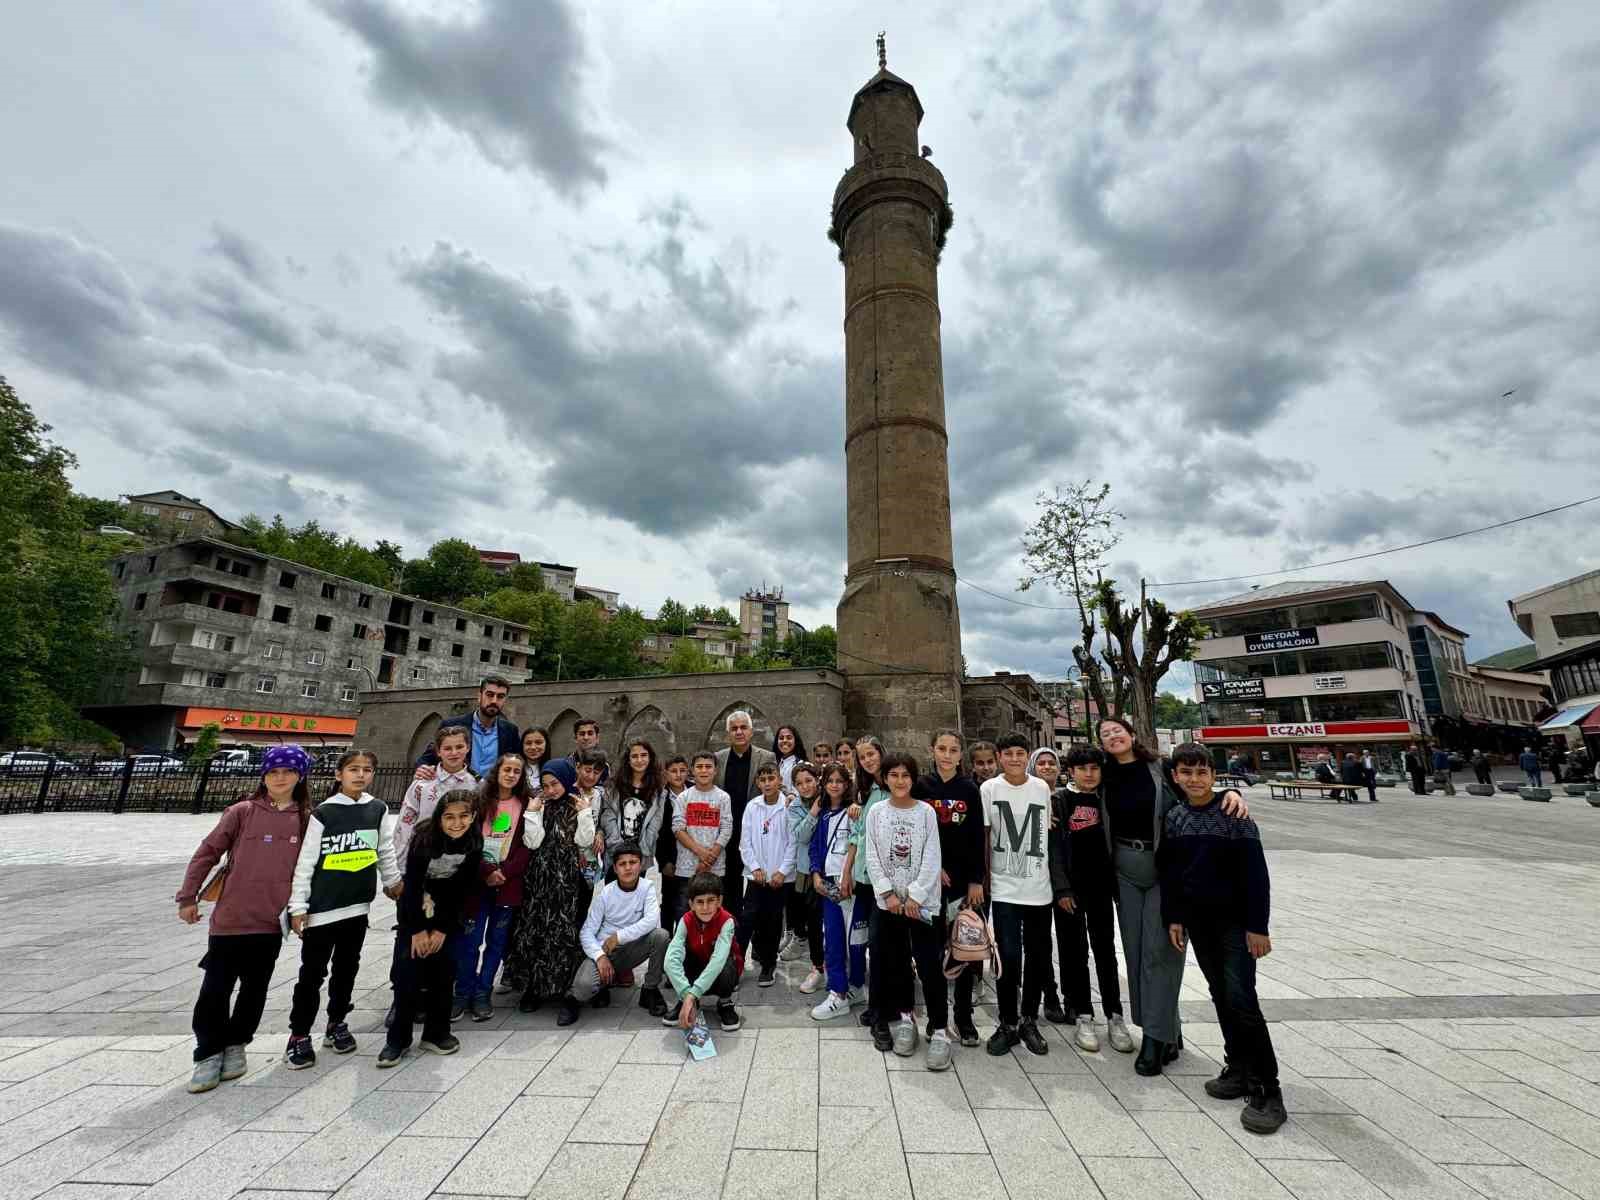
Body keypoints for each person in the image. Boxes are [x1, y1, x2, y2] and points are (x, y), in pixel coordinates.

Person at [1098, 715, 1247, 1076]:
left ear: (1132, 735)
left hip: (1165, 868)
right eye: (1105, 734)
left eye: (1118, 730)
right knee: (1135, 953)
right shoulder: (1103, 775)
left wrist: (1233, 794)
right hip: (1124, 870)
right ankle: (1170, 1031)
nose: (1113, 736)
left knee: (1161, 953)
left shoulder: (1161, 769)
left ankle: (1153, 1037)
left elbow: (1199, 791)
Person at [1160, 744, 1285, 1134]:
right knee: (1220, 993)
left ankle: (1268, 1087)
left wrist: (1258, 926)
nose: (1194, 780)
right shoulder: (1176, 818)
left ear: (1213, 776)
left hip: (1234, 922)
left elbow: (1256, 875)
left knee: (1242, 999)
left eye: (1201, 772)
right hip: (1198, 921)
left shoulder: (1235, 816)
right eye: (1186, 773)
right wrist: (1176, 917)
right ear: (1176, 777)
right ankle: (1239, 1067)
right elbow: (1174, 874)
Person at [177, 745, 311, 1093]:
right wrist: (188, 896)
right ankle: (207, 1052)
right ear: (264, 776)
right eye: (273, 772)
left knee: (255, 989)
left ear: (300, 776)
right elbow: (207, 852)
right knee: (215, 990)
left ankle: (237, 1044)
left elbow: (309, 871)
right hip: (230, 919)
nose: (279, 778)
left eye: (287, 771)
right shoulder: (242, 812)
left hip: (270, 922)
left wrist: (301, 911)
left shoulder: (306, 818)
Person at [285, 749, 401, 1069]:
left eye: (366, 769)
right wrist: (298, 907)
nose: (360, 775)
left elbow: (384, 850)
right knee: (312, 974)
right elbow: (306, 863)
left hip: (356, 906)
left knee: (346, 970)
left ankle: (337, 1022)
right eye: (353, 769)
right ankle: (299, 1034)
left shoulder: (377, 809)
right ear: (339, 775)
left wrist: (393, 883)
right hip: (324, 909)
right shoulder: (323, 813)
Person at [379, 789, 481, 1066]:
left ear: (473, 817)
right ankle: (397, 1039)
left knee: (444, 974)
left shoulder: (473, 841)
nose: (456, 823)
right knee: (407, 976)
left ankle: (436, 1033)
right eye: (449, 817)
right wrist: (417, 930)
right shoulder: (425, 839)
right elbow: (411, 887)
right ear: (439, 818)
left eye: (463, 817)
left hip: (447, 913)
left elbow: (462, 889)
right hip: (415, 910)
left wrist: (442, 929)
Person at [389, 725, 478, 1028]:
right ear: (438, 751)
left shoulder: (474, 785)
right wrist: (396, 873)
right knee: (409, 937)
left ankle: (432, 999)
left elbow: (479, 829)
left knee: (444, 939)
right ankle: (401, 997)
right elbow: (404, 826)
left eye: (459, 747)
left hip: (452, 871)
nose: (454, 753)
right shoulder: (421, 784)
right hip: (418, 869)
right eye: (448, 748)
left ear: (468, 749)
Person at [865, 751, 949, 1070]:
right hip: (889, 904)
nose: (900, 781)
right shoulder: (876, 812)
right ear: (885, 778)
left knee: (929, 966)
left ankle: (939, 1030)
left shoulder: (925, 812)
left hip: (921, 905)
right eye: (894, 775)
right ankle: (906, 1019)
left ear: (913, 779)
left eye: (905, 775)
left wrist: (914, 896)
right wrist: (888, 893)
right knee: (897, 964)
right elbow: (872, 856)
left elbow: (931, 856)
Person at [1048, 745, 1133, 1055]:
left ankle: (1115, 1015)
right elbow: (1054, 848)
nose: (1088, 774)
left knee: (1105, 950)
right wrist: (1062, 889)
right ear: (1071, 771)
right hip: (1072, 889)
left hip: (1100, 887)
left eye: (1094, 768)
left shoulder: (1107, 797)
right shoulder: (1060, 800)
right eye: (1082, 768)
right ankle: (1084, 1013)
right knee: (1074, 952)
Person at [981, 733, 1053, 1058]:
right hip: (1004, 886)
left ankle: (1028, 1019)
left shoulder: (1041, 788)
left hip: (1038, 887)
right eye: (1007, 753)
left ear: (1027, 757)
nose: (1013, 758)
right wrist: (983, 883)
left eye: (1019, 753)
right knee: (1008, 958)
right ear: (999, 757)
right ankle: (1007, 1021)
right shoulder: (989, 790)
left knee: (1037, 958)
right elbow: (985, 837)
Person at [912, 730, 985, 1047]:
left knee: (963, 951)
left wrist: (976, 880)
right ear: (932, 751)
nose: (946, 754)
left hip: (960, 884)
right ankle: (936, 1017)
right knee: (929, 954)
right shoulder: (921, 786)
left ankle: (964, 1016)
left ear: (960, 754)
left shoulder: (969, 789)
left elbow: (975, 838)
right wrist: (931, 868)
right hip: (929, 883)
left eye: (953, 749)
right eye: (941, 748)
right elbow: (915, 832)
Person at [509, 760, 594, 1014]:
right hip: (539, 880)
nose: (550, 790)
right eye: (545, 785)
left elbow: (585, 840)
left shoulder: (576, 805)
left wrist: (585, 813)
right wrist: (533, 813)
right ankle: (533, 988)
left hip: (566, 880)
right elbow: (532, 842)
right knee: (534, 930)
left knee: (562, 932)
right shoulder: (539, 806)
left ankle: (561, 986)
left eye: (555, 784)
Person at [455, 754, 532, 1021]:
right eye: (507, 769)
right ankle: (462, 991)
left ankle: (482, 993)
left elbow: (526, 846)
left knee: (496, 943)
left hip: (507, 883)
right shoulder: (478, 802)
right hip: (478, 881)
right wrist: (487, 870)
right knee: (470, 941)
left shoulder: (525, 805)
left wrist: (505, 872)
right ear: (497, 771)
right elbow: (469, 838)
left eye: (517, 771)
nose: (511, 775)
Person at [564, 841, 669, 1024]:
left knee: (661, 936)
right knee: (582, 987)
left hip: (630, 949)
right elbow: (587, 932)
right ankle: (578, 998)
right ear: (615, 868)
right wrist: (599, 956)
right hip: (605, 951)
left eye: (633, 862)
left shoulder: (647, 888)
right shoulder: (606, 893)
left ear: (641, 864)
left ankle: (650, 990)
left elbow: (651, 921)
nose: (628, 868)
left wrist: (619, 937)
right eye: (622, 864)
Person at [810, 764, 866, 1021]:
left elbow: (858, 843)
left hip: (851, 884)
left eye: (839, 781)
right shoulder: (822, 815)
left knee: (855, 939)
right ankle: (838, 990)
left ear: (847, 784)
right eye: (829, 780)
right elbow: (816, 847)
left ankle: (854, 986)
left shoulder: (854, 811)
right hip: (829, 884)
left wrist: (848, 874)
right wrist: (815, 874)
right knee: (832, 939)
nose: (834, 785)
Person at [662, 871, 744, 1032]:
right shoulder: (685, 920)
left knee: (725, 963)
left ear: (719, 901)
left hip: (721, 974)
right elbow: (670, 960)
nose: (705, 907)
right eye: (699, 902)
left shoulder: (727, 921)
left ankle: (725, 1002)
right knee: (678, 955)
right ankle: (684, 999)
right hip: (696, 969)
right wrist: (686, 994)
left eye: (711, 901)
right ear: (691, 904)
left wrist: (694, 993)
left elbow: (717, 961)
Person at [737, 762, 795, 987]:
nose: (768, 783)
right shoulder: (753, 806)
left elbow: (792, 843)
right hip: (756, 877)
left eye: (772, 778)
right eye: (763, 779)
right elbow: (746, 842)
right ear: (758, 783)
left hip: (779, 878)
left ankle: (769, 964)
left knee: (772, 921)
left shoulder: (788, 806)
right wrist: (754, 867)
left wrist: (782, 872)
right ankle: (737, 963)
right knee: (748, 919)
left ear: (780, 780)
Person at [716, 711, 777, 914]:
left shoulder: (767, 757)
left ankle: (758, 937)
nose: (739, 732)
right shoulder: (719, 758)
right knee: (730, 884)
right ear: (728, 734)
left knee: (758, 885)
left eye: (743, 727)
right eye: (734, 728)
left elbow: (775, 785)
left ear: (751, 732)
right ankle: (731, 929)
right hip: (728, 832)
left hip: (756, 832)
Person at [1027, 748, 1071, 1024]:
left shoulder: (1066, 798)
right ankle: (1049, 994)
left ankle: (1073, 998)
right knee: (1040, 943)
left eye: (1050, 763)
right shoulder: (1028, 797)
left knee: (1068, 943)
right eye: (1040, 763)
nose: (1046, 767)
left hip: (1066, 881)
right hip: (1037, 880)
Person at [849, 734, 888, 1030]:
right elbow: (856, 834)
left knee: (882, 943)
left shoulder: (893, 788)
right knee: (865, 940)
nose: (868, 760)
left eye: (872, 754)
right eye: (863, 757)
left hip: (884, 879)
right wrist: (848, 869)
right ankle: (874, 1000)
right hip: (863, 876)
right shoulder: (864, 790)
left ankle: (883, 1005)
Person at [671, 751, 734, 925]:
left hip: (715, 868)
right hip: (687, 868)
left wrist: (709, 858)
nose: (704, 770)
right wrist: (700, 853)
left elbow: (727, 828)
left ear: (715, 771)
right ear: (692, 770)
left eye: (708, 766)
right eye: (699, 766)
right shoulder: (684, 797)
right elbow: (678, 828)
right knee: (685, 916)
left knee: (713, 917)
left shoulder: (723, 797)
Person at [413, 677, 520, 778]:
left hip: (492, 794)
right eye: (489, 695)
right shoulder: (452, 725)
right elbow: (428, 757)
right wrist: (422, 768)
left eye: (500, 696)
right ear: (479, 696)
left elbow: (519, 763)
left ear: (505, 700)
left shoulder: (510, 731)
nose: (494, 701)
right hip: (459, 793)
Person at [784, 761, 827, 992]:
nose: (805, 786)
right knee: (813, 920)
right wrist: (814, 811)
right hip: (808, 871)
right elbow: (800, 836)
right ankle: (817, 966)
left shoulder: (831, 798)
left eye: (809, 780)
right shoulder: (795, 807)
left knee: (834, 920)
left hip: (831, 868)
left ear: (817, 779)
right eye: (799, 783)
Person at [601, 739, 666, 882]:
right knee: (613, 896)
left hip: (640, 855)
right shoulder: (614, 785)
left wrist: (641, 851)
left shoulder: (658, 789)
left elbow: (656, 821)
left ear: (650, 758)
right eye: (634, 756)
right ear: (628, 760)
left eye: (643, 755)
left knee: (635, 896)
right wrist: (617, 846)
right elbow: (608, 815)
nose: (639, 760)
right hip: (615, 854)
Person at [657, 755, 691, 931]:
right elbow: (658, 833)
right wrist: (663, 861)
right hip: (670, 858)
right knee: (669, 901)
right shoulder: (659, 797)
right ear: (666, 773)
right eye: (673, 771)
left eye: (682, 770)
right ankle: (667, 940)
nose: (678, 775)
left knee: (687, 902)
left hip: (692, 856)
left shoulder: (695, 791)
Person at [573, 748, 609, 884]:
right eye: (587, 770)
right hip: (571, 857)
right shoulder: (570, 793)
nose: (591, 776)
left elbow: (601, 821)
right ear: (578, 767)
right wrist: (576, 850)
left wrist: (600, 833)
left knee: (586, 899)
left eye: (596, 772)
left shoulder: (600, 795)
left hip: (591, 859)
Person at [773, 724, 806, 796]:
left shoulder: (801, 764)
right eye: (781, 738)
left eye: (789, 738)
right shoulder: (775, 763)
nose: (784, 740)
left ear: (795, 741)